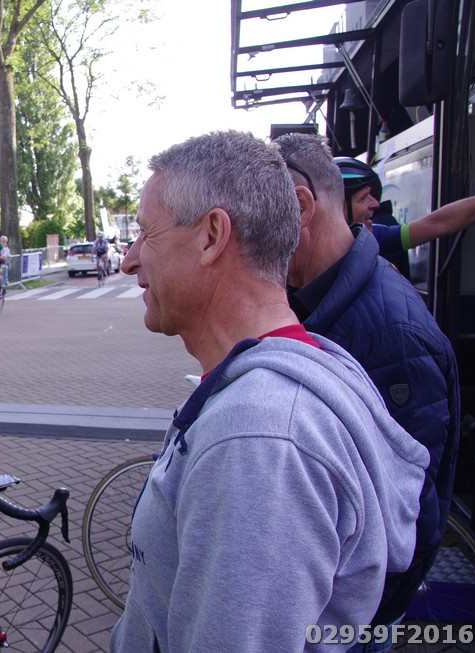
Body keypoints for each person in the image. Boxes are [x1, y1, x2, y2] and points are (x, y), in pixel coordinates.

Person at [110, 130, 428, 653]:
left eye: (147, 233)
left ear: (212, 235)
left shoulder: (258, 439)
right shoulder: (302, 370)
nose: (129, 260)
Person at [276, 133, 461, 650]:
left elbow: (408, 517)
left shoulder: (391, 338)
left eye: (259, 219)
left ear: (301, 207)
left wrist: (349, 627)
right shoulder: (326, 295)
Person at [335, 156, 475, 280]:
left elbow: (436, 224)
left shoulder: (374, 237)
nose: (376, 204)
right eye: (363, 198)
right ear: (337, 206)